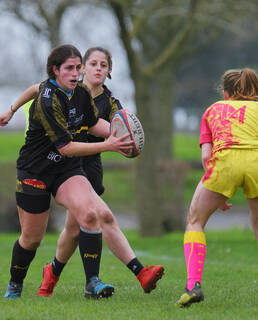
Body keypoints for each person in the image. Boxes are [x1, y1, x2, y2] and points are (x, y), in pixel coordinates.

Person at [2, 44, 164, 299]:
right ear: (55, 70)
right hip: (36, 170)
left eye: (78, 68)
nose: (75, 73)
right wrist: (110, 145)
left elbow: (92, 123)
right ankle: (15, 283)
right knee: (31, 239)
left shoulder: (81, 93)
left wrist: (121, 135)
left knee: (90, 215)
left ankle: (92, 282)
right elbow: (65, 146)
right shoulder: (48, 99)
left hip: (66, 169)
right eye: (69, 68)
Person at [175, 68, 258, 308]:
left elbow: (206, 156)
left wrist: (219, 191)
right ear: (251, 90)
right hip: (257, 163)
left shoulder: (212, 110)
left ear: (225, 93)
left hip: (224, 164)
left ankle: (193, 285)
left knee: (195, 220)